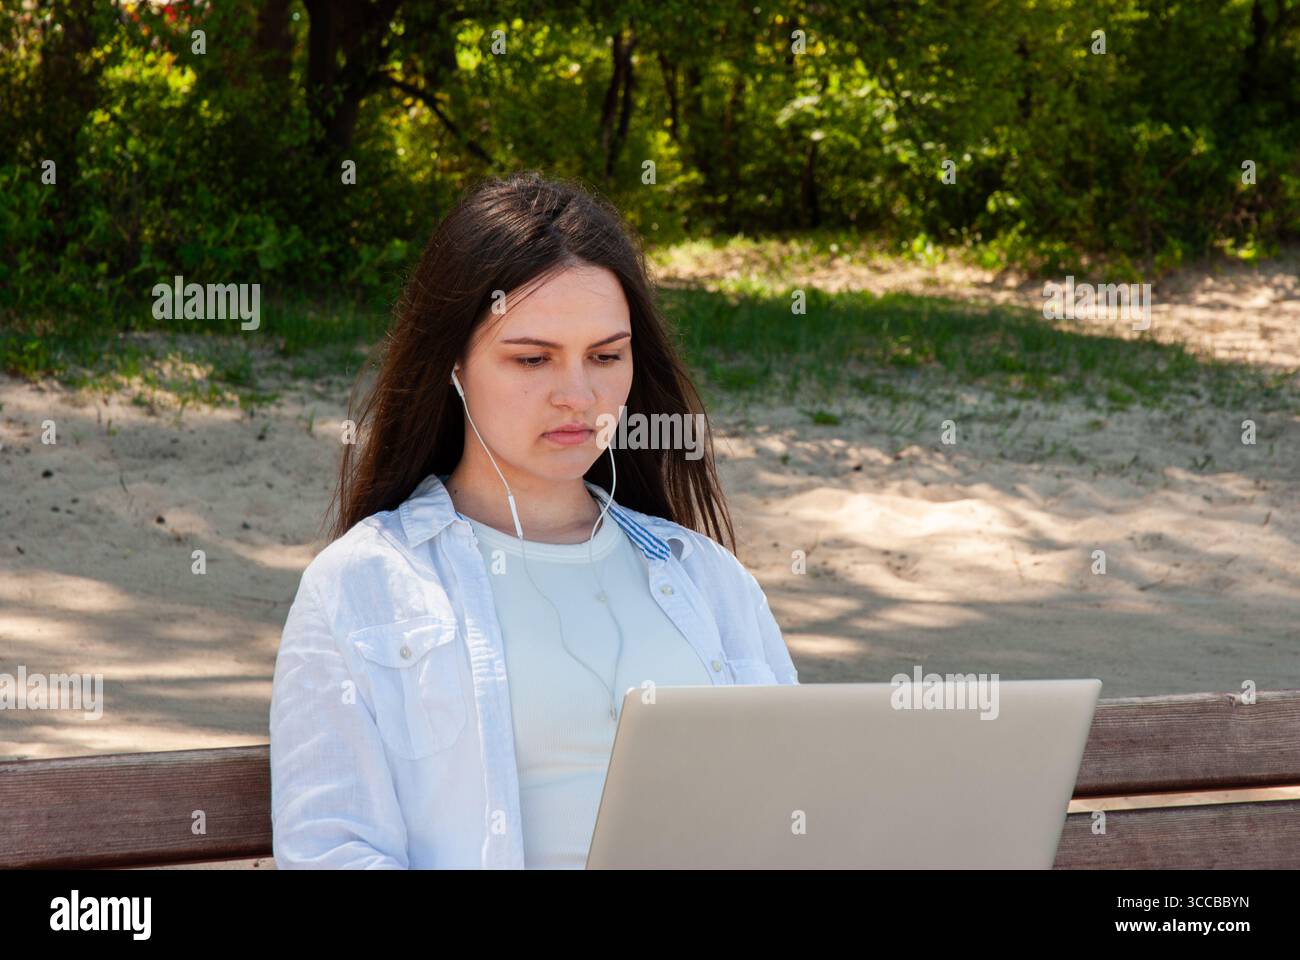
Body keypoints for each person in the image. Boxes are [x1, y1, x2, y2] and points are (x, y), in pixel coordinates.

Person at [269, 171, 798, 869]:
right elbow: (331, 852)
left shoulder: (705, 577)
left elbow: (796, 808)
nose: (578, 396)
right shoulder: (363, 586)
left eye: (607, 356)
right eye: (532, 358)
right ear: (452, 364)